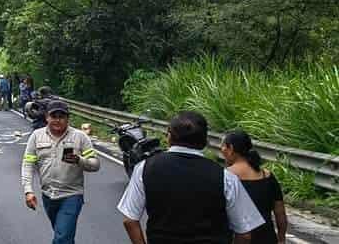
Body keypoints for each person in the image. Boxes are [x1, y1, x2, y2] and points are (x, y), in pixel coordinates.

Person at [118, 111, 265, 244]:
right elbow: (245, 234)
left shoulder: (145, 168)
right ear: (205, 141)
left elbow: (130, 220)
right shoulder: (225, 177)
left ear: (169, 136)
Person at [21, 100, 100, 244]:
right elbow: (28, 164)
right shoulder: (36, 136)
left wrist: (79, 160)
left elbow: (95, 165)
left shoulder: (80, 137)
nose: (57, 120)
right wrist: (28, 191)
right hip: (48, 196)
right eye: (54, 116)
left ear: (68, 118)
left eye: (61, 116)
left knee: (62, 238)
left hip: (72, 195)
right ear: (46, 117)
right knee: (63, 235)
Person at [222, 131, 288, 244]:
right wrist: (281, 239)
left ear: (231, 148)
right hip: (267, 238)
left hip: (236, 239)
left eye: (223, 146)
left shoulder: (225, 177)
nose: (222, 150)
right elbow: (280, 213)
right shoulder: (267, 176)